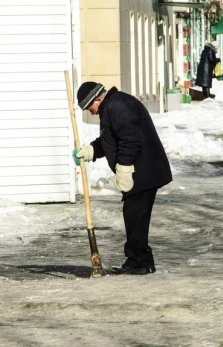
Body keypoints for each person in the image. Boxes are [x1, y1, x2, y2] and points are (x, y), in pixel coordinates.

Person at [74, 82, 173, 275]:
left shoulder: (119, 106)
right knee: (135, 216)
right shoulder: (112, 105)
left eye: (89, 108)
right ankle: (141, 260)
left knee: (135, 217)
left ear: (97, 99)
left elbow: (131, 139)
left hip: (144, 170)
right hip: (143, 170)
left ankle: (139, 262)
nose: (91, 113)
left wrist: (125, 169)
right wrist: (90, 151)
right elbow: (109, 139)